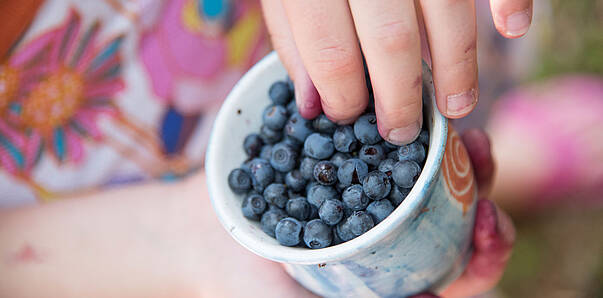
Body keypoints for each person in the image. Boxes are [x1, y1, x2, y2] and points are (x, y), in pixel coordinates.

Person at [0, 0, 524, 296]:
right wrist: (179, 240)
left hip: (289, 29)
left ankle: (520, 156)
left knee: (426, 88)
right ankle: (526, 161)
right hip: (76, 226)